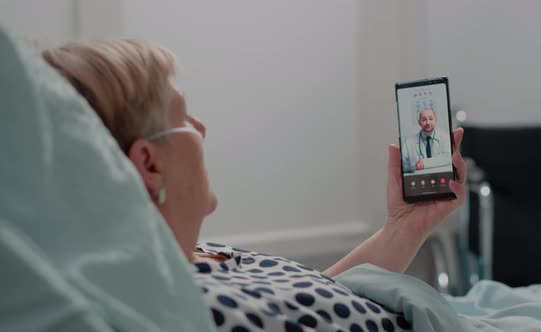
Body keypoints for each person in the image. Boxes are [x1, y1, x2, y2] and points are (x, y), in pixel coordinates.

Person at [43, 39, 466, 332]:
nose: (201, 128)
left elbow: (318, 299)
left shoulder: (192, 259)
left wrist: (403, 226)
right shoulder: (188, 311)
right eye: (184, 117)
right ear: (150, 163)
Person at [402, 102, 452, 173]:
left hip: (439, 176)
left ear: (435, 120)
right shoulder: (409, 142)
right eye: (424, 120)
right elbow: (401, 163)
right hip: (418, 179)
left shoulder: (445, 137)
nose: (428, 122)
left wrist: (424, 163)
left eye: (431, 119)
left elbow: (448, 157)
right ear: (419, 122)